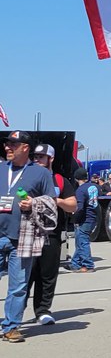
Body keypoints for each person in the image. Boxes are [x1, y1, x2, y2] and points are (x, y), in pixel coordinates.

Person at [1, 130, 55, 343]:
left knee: (18, 285)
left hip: (22, 237)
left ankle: (11, 327)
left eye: (13, 144)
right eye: (7, 144)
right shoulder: (0, 168)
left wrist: (34, 203)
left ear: (25, 148)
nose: (7, 147)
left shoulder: (41, 174)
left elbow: (51, 203)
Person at [27, 143, 77, 326]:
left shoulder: (60, 180)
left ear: (51, 159)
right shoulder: (26, 178)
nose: (37, 160)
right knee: (25, 274)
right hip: (29, 233)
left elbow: (73, 205)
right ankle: (14, 314)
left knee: (47, 275)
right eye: (35, 157)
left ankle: (43, 311)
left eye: (41, 157)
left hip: (53, 234)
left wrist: (56, 201)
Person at [67, 168, 98, 273]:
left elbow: (79, 207)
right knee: (80, 241)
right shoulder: (94, 187)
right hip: (93, 217)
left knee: (83, 242)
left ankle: (88, 264)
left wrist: (74, 216)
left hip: (84, 219)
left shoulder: (80, 190)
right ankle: (75, 263)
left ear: (76, 179)